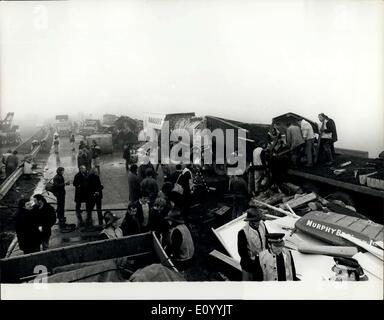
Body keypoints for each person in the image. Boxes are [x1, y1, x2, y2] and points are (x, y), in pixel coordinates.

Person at [237, 207, 269, 281]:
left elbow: (267, 239)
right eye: (256, 221)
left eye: (259, 220)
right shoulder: (243, 233)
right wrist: (251, 265)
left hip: (263, 259)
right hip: (250, 263)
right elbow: (242, 253)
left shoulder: (262, 225)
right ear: (250, 221)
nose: (258, 222)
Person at [52, 167, 74, 232]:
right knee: (60, 205)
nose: (63, 172)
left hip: (61, 193)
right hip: (59, 194)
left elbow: (60, 185)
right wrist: (64, 183)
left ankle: (62, 216)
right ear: (59, 171)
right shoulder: (56, 177)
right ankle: (60, 217)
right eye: (62, 171)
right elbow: (56, 185)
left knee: (62, 205)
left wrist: (65, 184)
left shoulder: (60, 176)